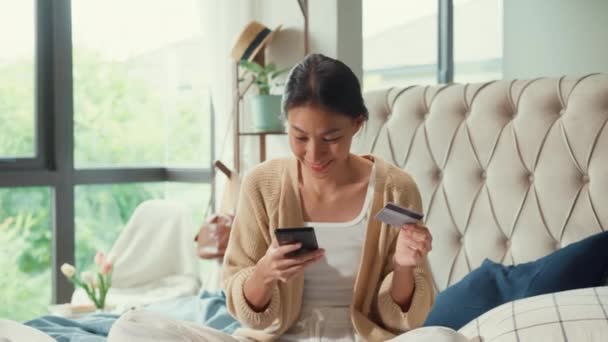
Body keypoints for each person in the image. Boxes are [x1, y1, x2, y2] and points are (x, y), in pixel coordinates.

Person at [108, 54, 440, 341]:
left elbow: (403, 320)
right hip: (277, 338)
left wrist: (403, 266)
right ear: (286, 126)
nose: (314, 154)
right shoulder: (262, 184)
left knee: (444, 337)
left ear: (357, 124)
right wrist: (265, 273)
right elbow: (244, 309)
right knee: (130, 328)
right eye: (299, 137)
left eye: (331, 137)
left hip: (360, 337)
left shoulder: (396, 188)